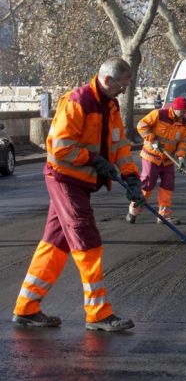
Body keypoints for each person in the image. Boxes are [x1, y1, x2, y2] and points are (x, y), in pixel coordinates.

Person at [13, 57, 145, 332]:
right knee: (86, 238)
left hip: (81, 181)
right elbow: (59, 148)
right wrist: (92, 159)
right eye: (122, 86)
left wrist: (132, 176)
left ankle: (27, 308)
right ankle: (97, 313)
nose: (124, 91)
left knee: (55, 244)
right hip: (64, 178)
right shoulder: (77, 102)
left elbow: (120, 144)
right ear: (107, 80)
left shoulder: (111, 104)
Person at [126, 96, 186, 225]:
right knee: (148, 184)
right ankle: (134, 210)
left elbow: (182, 142)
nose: (183, 114)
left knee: (168, 185)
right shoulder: (158, 114)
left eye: (185, 112)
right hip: (151, 156)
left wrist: (181, 157)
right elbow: (141, 125)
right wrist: (153, 140)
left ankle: (164, 216)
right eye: (182, 111)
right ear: (175, 108)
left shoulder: (184, 123)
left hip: (168, 159)